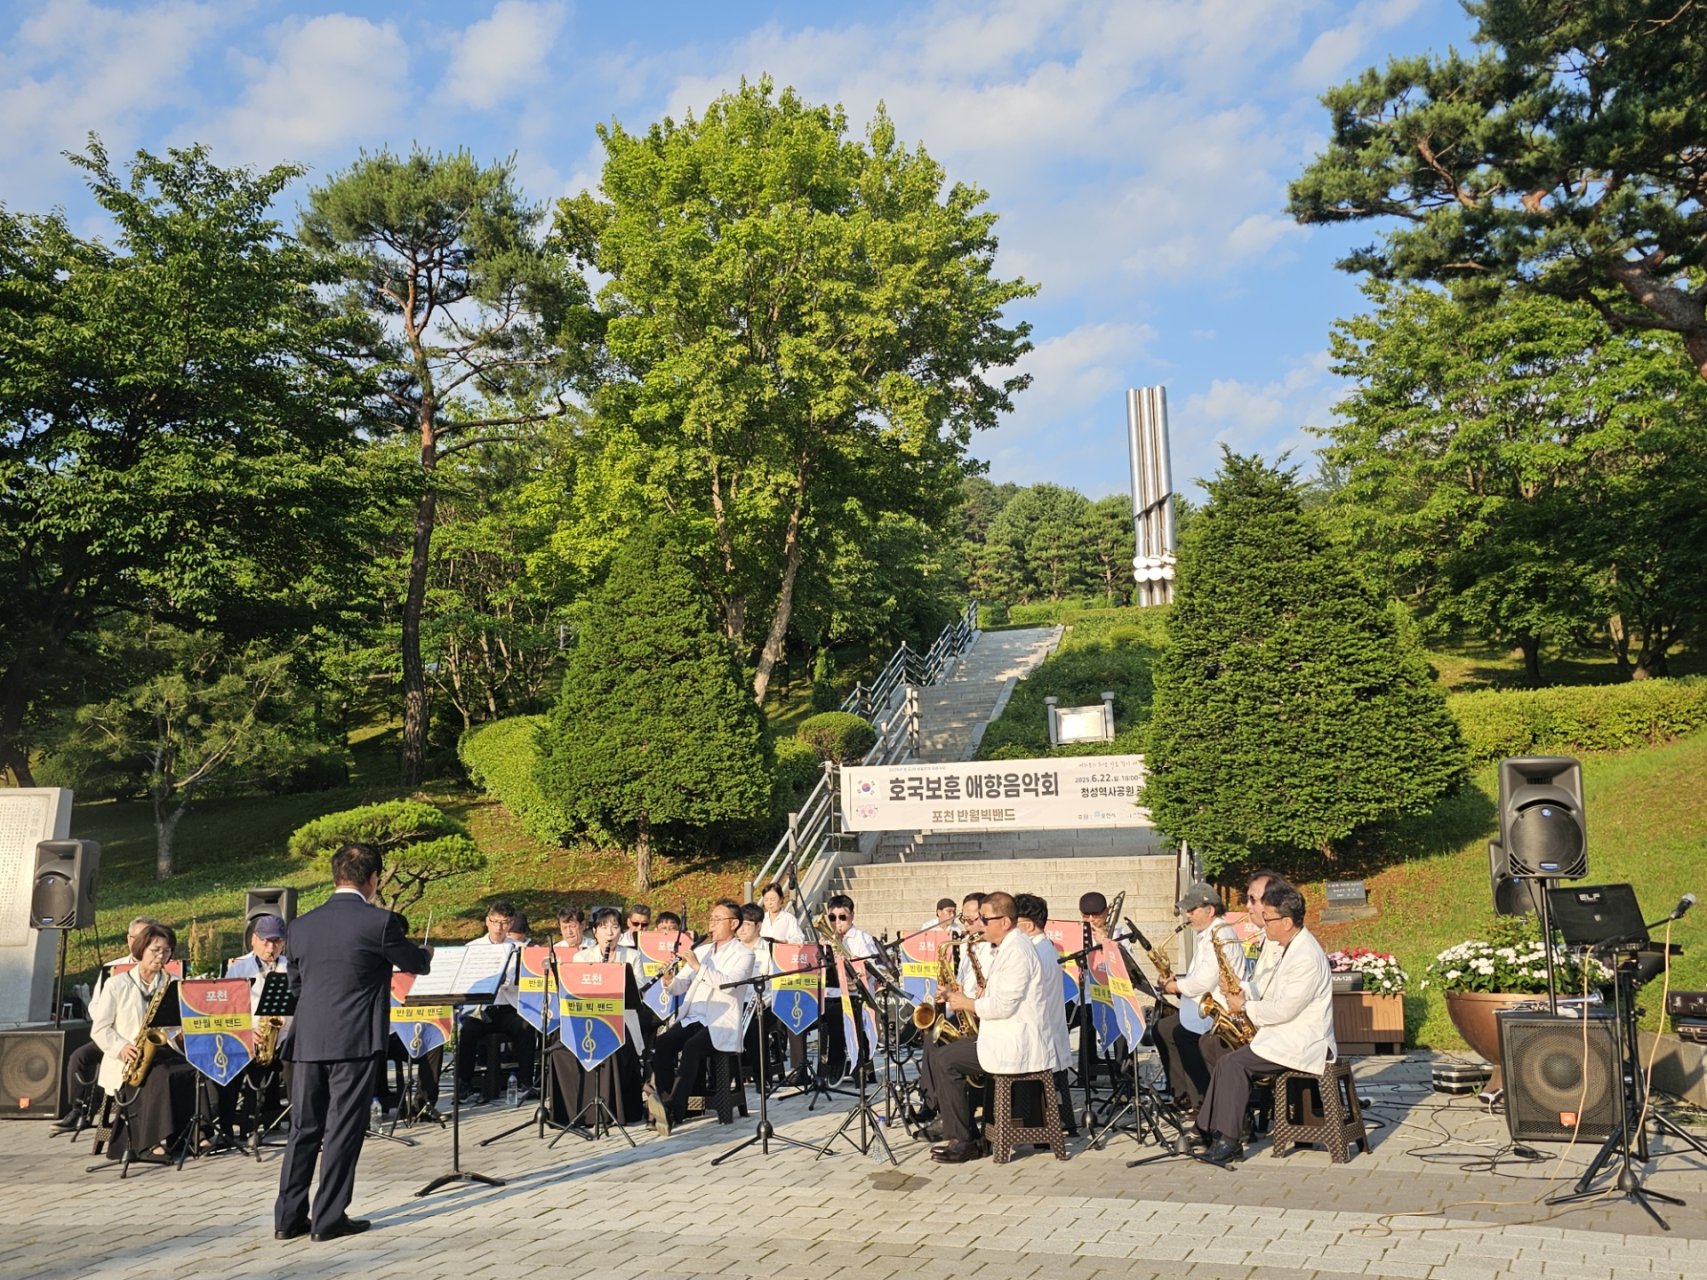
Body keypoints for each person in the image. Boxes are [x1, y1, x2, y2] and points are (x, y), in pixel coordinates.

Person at [274, 843, 431, 1243]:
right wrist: (426, 952)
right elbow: (415, 963)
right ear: (373, 880)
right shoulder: (380, 922)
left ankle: (288, 1218)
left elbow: (295, 984)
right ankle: (328, 1218)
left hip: (309, 1039)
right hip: (355, 1040)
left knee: (303, 1127)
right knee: (343, 1127)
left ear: (335, 876)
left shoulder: (300, 926)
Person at [1189, 880, 1334, 1166]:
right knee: (1225, 1058)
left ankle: (1228, 1141)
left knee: (1234, 1063)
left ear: (1287, 922)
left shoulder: (1305, 956)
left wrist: (1244, 1007)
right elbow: (1270, 989)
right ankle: (1210, 1129)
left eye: (1268, 919)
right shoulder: (1290, 945)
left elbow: (1284, 1009)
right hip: (1284, 1034)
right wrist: (1240, 989)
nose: (1263, 924)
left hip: (1302, 1040)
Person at [931, 892, 1057, 1163]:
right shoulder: (1007, 947)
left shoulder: (1018, 952)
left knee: (946, 1060)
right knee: (943, 1053)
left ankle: (964, 1140)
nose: (981, 924)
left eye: (985, 919)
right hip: (1004, 1035)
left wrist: (966, 1002)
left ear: (1006, 922)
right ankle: (972, 1137)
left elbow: (1003, 1007)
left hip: (1017, 1043)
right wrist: (958, 995)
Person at [91, 922, 202, 1163]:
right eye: (156, 950)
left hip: (160, 1050)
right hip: (128, 1057)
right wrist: (122, 1047)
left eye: (167, 951)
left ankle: (185, 1136)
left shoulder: (171, 982)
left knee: (191, 1069)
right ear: (141, 949)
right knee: (161, 1074)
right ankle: (150, 1143)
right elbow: (99, 1029)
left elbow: (173, 1025)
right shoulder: (116, 984)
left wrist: (181, 1032)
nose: (161, 957)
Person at [646, 899, 755, 1133]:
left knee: (693, 1047)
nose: (712, 924)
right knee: (663, 1043)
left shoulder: (744, 954)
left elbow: (728, 985)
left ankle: (674, 1111)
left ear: (734, 923)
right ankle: (664, 1101)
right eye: (711, 919)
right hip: (693, 1017)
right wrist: (668, 980)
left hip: (720, 1022)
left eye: (718, 919)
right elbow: (680, 986)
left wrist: (698, 967)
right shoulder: (703, 951)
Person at [54, 915, 160, 1134]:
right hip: (116, 1036)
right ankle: (78, 1110)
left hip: (148, 1040)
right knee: (79, 1058)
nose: (141, 943)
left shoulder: (164, 969)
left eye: (148, 939)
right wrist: (113, 1031)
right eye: (137, 938)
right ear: (129, 940)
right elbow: (95, 1006)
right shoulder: (113, 969)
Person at [1154, 883, 1249, 1117]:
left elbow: (1206, 980)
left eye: (1192, 910)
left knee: (1182, 1035)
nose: (1188, 915)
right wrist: (1177, 981)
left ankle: (1204, 1100)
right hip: (1204, 1008)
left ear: (1210, 910)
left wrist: (1175, 986)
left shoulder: (1220, 934)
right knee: (1163, 1029)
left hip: (1221, 1013)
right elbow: (1200, 976)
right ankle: (1184, 1095)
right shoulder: (1207, 934)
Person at [456, 902, 538, 1103]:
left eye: (505, 923)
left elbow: (526, 984)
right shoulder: (473, 948)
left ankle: (525, 1082)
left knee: (526, 1027)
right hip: (482, 1007)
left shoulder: (520, 949)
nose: (499, 927)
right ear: (487, 921)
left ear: (511, 923)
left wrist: (508, 983)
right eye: (495, 922)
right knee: (467, 1030)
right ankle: (464, 1085)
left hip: (508, 1006)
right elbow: (465, 981)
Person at [1014, 892, 1076, 1137]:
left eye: (1014, 922)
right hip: (1047, 1032)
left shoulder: (1033, 953)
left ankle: (1013, 1120)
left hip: (1037, 1036)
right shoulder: (1041, 947)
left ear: (1028, 926)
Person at [226, 914, 292, 1139]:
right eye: (266, 942)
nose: (271, 948)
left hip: (284, 1035)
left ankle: (298, 1119)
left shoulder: (292, 967)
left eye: (277, 942)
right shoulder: (239, 969)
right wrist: (246, 1031)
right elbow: (228, 1010)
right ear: (254, 940)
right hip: (250, 1037)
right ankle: (243, 1124)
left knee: (299, 1061)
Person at [820, 894, 880, 1081]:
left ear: (852, 916)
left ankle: (838, 1061)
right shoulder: (826, 940)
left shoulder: (862, 938)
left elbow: (870, 970)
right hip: (831, 993)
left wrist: (850, 961)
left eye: (842, 917)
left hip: (857, 994)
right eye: (832, 917)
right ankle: (827, 1064)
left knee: (835, 1011)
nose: (837, 922)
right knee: (820, 1009)